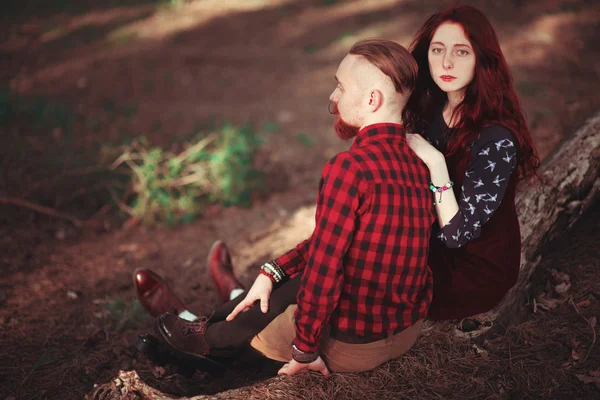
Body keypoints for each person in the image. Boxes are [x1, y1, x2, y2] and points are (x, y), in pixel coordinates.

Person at [139, 38, 437, 376]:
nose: (333, 97)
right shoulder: (416, 163)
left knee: (252, 330)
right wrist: (273, 271)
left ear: (372, 99)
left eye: (340, 86)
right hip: (401, 331)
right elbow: (338, 243)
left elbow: (325, 269)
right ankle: (215, 313)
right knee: (286, 283)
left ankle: (200, 334)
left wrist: (306, 350)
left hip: (353, 344)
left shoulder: (351, 168)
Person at [403, 4, 540, 320]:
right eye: (437, 50)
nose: (446, 62)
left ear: (481, 58)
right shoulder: (431, 112)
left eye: (461, 52)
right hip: (427, 247)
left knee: (361, 282)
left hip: (474, 271)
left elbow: (456, 235)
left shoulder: (496, 138)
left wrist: (436, 163)